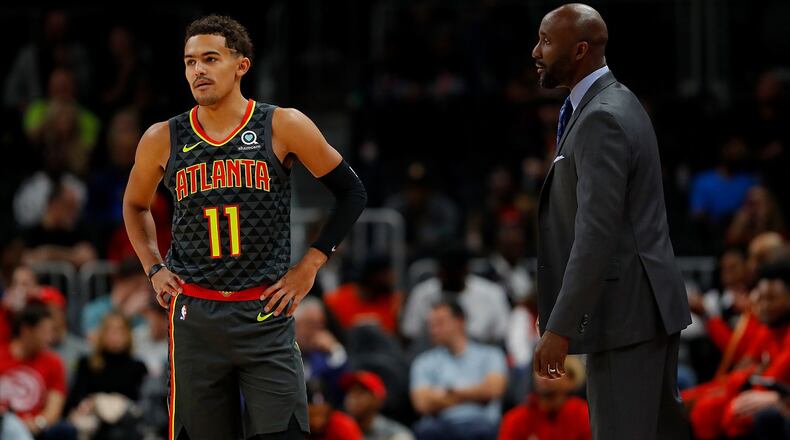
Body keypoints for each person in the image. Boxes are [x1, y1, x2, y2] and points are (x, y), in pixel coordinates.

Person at [121, 15, 367, 440]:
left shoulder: (282, 124)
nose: (197, 70)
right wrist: (154, 267)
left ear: (241, 65)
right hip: (195, 316)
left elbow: (352, 193)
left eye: (210, 59)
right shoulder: (162, 137)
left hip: (265, 313)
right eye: (189, 61)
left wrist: (309, 265)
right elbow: (135, 205)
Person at [531, 4, 691, 439]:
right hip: (643, 308)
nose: (535, 51)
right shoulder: (616, 101)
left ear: (580, 49)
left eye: (546, 41)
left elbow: (596, 233)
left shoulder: (601, 116)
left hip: (625, 316)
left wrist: (561, 324)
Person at [410, 300, 507, 440]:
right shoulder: (423, 362)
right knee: (423, 430)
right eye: (431, 325)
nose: (433, 330)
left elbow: (493, 389)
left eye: (440, 323)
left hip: (481, 426)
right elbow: (421, 403)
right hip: (439, 428)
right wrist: (476, 395)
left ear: (459, 321)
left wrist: (446, 393)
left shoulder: (491, 355)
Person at [0, 304, 75, 440]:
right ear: (26, 330)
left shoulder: (54, 362)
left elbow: (54, 409)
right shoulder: (1, 355)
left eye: (51, 332)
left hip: (35, 429)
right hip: (2, 423)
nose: (49, 338)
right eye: (44, 332)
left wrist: (37, 423)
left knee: (65, 429)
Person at [498, 356, 591, 440]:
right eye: (539, 368)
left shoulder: (583, 415)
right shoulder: (516, 419)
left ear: (570, 380)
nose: (544, 375)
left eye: (553, 369)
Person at [341, 370, 414, 440]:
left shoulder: (396, 435)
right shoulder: (337, 431)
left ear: (378, 399)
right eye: (350, 392)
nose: (353, 398)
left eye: (360, 393)